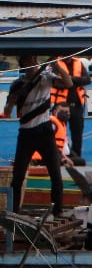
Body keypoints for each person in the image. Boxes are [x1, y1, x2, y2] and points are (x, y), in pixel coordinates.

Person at [4, 56, 71, 216]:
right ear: (23, 64)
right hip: (26, 133)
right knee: (18, 176)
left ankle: (58, 211)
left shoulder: (46, 78)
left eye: (34, 60)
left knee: (55, 173)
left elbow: (68, 83)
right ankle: (14, 211)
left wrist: (56, 65)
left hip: (45, 131)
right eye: (29, 60)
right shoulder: (17, 85)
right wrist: (13, 101)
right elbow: (7, 111)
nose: (33, 63)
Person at [49, 56, 89, 160]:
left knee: (78, 134)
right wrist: (75, 81)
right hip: (61, 106)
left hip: (77, 106)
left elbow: (87, 80)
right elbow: (58, 82)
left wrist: (70, 79)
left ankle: (76, 158)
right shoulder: (55, 63)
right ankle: (58, 157)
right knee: (59, 132)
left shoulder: (79, 62)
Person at [33, 103, 81, 167]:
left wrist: (63, 156)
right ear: (55, 111)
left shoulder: (62, 124)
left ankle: (64, 160)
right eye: (62, 111)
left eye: (67, 112)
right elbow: (47, 143)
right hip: (43, 156)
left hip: (56, 153)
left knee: (80, 161)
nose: (64, 113)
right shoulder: (52, 123)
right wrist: (62, 158)